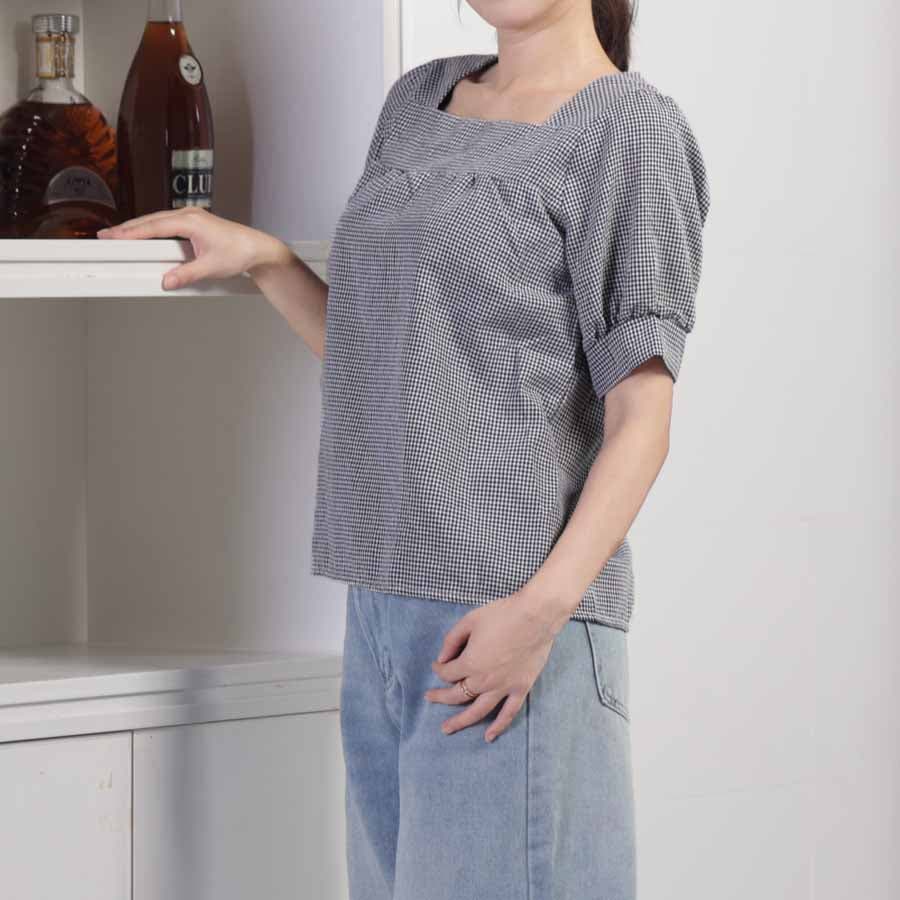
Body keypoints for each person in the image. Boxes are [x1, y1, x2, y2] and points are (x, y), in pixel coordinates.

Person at [99, 1, 710, 896]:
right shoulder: (419, 101)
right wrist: (267, 260)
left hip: (507, 620)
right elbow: (382, 355)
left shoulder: (631, 129)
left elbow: (643, 416)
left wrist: (535, 616)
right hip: (380, 611)